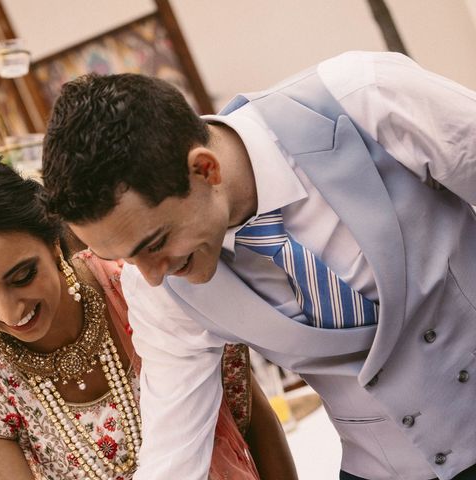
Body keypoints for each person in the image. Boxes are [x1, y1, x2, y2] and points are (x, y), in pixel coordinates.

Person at [41, 50, 476, 480]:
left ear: (205, 169)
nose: (150, 274)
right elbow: (173, 447)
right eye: (125, 258)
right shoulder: (157, 290)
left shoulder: (365, 95)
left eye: (155, 242)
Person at [0, 157, 296, 480]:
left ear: (51, 241)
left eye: (23, 276)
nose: (10, 311)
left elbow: (254, 422)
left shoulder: (144, 286)